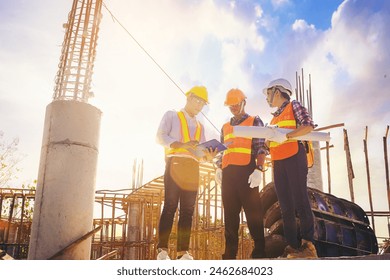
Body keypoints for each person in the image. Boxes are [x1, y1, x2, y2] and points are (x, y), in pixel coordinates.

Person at [156, 85, 216, 260]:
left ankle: (183, 252)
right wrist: (181, 144)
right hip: (175, 163)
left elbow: (200, 153)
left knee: (188, 210)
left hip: (192, 167)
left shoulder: (200, 126)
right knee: (170, 206)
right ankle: (162, 250)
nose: (199, 106)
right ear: (188, 97)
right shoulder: (172, 115)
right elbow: (160, 137)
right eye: (197, 100)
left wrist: (208, 157)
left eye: (203, 103)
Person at [263, 78, 318, 259]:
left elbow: (308, 125)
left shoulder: (294, 106)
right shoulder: (273, 119)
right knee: (285, 206)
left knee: (300, 199)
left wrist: (288, 136)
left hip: (294, 157)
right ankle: (293, 247)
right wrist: (266, 142)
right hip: (279, 163)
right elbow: (269, 145)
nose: (268, 98)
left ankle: (307, 245)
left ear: (277, 92)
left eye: (269, 93)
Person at [215, 88, 266, 259]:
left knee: (253, 214)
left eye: (236, 104)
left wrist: (259, 169)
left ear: (244, 102)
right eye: (230, 106)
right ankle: (230, 255)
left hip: (247, 173)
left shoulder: (254, 121)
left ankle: (259, 251)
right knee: (230, 217)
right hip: (228, 175)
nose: (233, 108)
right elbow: (221, 151)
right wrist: (218, 167)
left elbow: (260, 147)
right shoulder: (225, 127)